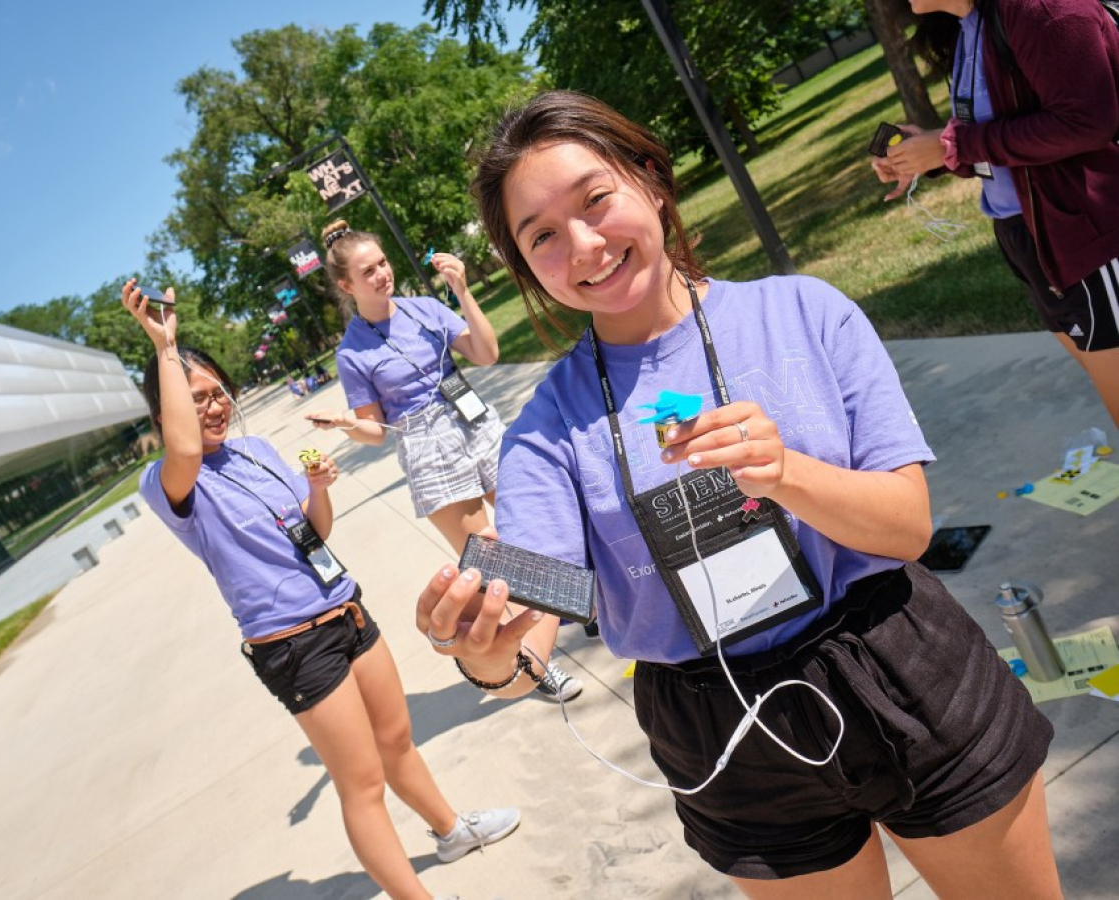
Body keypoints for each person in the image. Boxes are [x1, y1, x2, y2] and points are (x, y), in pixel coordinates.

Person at [416, 91, 1063, 899]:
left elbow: (906, 527)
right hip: (718, 729)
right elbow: (529, 636)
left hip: (902, 665)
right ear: (525, 266)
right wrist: (488, 657)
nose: (583, 245)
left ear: (651, 181)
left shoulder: (805, 312)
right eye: (541, 235)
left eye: (596, 200)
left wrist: (784, 472)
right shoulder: (545, 435)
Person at [120, 279, 519, 900]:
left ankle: (450, 829)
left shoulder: (255, 450)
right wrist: (164, 347)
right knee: (361, 784)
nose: (213, 407)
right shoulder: (173, 483)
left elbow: (313, 532)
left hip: (345, 612)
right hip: (294, 647)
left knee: (397, 743)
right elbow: (183, 444)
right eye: (195, 400)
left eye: (217, 392)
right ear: (168, 411)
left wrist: (321, 487)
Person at [305, 219, 585, 702]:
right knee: (497, 560)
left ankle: (588, 606)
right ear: (347, 285)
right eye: (367, 271)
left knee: (538, 520)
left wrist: (461, 290)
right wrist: (345, 423)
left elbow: (486, 351)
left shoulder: (425, 309)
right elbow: (375, 432)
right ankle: (536, 665)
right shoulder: (353, 352)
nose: (381, 275)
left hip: (474, 419)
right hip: (425, 446)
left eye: (383, 262)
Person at [873, 0, 1119, 427]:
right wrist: (933, 151)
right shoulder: (974, 24)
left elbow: (1086, 122)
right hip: (1033, 238)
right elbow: (1007, 141)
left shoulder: (1044, 9)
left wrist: (955, 145)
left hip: (1091, 231)